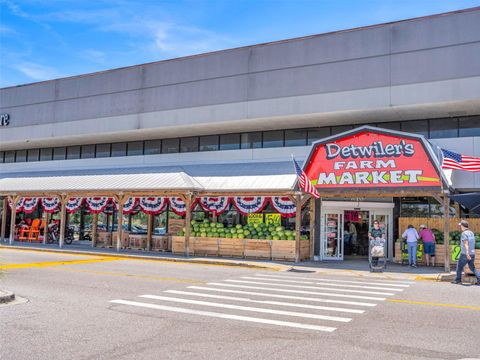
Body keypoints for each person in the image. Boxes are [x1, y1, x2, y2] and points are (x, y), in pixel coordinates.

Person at [452, 220, 480, 286]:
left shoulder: (464, 233)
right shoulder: (471, 233)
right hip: (472, 253)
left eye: (460, 226)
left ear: (462, 226)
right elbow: (473, 243)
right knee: (472, 267)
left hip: (465, 254)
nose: (460, 227)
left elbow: (466, 243)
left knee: (459, 267)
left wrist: (467, 253)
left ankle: (457, 280)